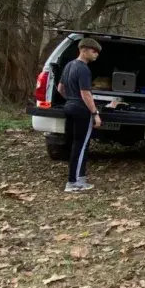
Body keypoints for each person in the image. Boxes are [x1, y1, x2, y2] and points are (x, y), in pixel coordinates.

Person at [57, 38, 102, 192]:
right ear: (83, 50)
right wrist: (95, 113)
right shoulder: (83, 68)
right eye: (93, 51)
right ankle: (73, 183)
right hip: (81, 110)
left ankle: (80, 177)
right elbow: (86, 94)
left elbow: (60, 88)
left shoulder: (69, 66)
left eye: (97, 52)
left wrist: (70, 99)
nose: (96, 54)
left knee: (76, 144)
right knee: (80, 146)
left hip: (69, 107)